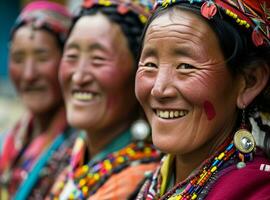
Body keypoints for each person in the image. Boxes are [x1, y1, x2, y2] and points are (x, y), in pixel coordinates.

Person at [134, 0, 270, 199]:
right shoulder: (153, 181)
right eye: (150, 64)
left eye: (186, 66)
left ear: (249, 82)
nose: (159, 89)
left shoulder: (258, 192)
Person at [47, 0, 161, 199]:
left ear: (139, 72)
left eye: (98, 59)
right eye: (72, 56)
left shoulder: (143, 178)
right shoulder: (70, 155)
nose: (79, 77)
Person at [0, 1, 76, 200]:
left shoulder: (82, 149)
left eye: (42, 58)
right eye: (18, 58)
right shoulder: (8, 143)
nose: (29, 74)